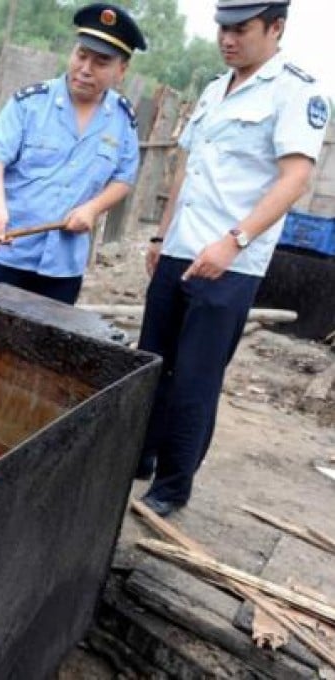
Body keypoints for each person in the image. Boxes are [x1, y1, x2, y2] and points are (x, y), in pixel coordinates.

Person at [136, 0, 329, 517]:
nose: (228, 39)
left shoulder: (296, 89)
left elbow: (295, 179)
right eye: (223, 28)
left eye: (241, 29)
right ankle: (140, 458)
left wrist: (235, 240)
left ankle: (172, 487)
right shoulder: (213, 89)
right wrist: (160, 237)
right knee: (152, 362)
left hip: (230, 261)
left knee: (196, 378)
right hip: (181, 249)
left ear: (276, 27)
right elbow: (187, 168)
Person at [0, 3, 146, 306]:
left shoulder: (122, 121)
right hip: (6, 252)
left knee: (47, 351)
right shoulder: (29, 105)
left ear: (122, 69)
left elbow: (124, 178)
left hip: (63, 266)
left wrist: (92, 209)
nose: (85, 69)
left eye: (101, 62)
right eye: (81, 55)